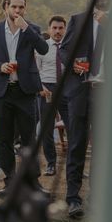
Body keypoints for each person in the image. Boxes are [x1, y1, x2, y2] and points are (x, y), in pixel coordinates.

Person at [0, 0, 48, 196]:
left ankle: (33, 182)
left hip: (25, 91)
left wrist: (26, 28)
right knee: (4, 138)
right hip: (2, 91)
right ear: (6, 7)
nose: (17, 11)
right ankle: (10, 183)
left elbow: (43, 48)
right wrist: (0, 66)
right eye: (14, 7)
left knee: (29, 138)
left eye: (21, 7)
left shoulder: (32, 29)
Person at [59, 0, 109, 219]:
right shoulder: (78, 20)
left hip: (107, 92)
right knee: (77, 144)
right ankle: (73, 199)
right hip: (81, 90)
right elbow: (63, 51)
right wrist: (74, 64)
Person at [35, 15, 70, 176]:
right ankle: (51, 164)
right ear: (49, 29)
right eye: (54, 28)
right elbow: (35, 70)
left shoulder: (71, 47)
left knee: (73, 127)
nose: (57, 31)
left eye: (60, 28)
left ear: (65, 29)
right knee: (47, 129)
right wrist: (41, 88)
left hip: (66, 89)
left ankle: (73, 164)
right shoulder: (42, 47)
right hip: (46, 89)